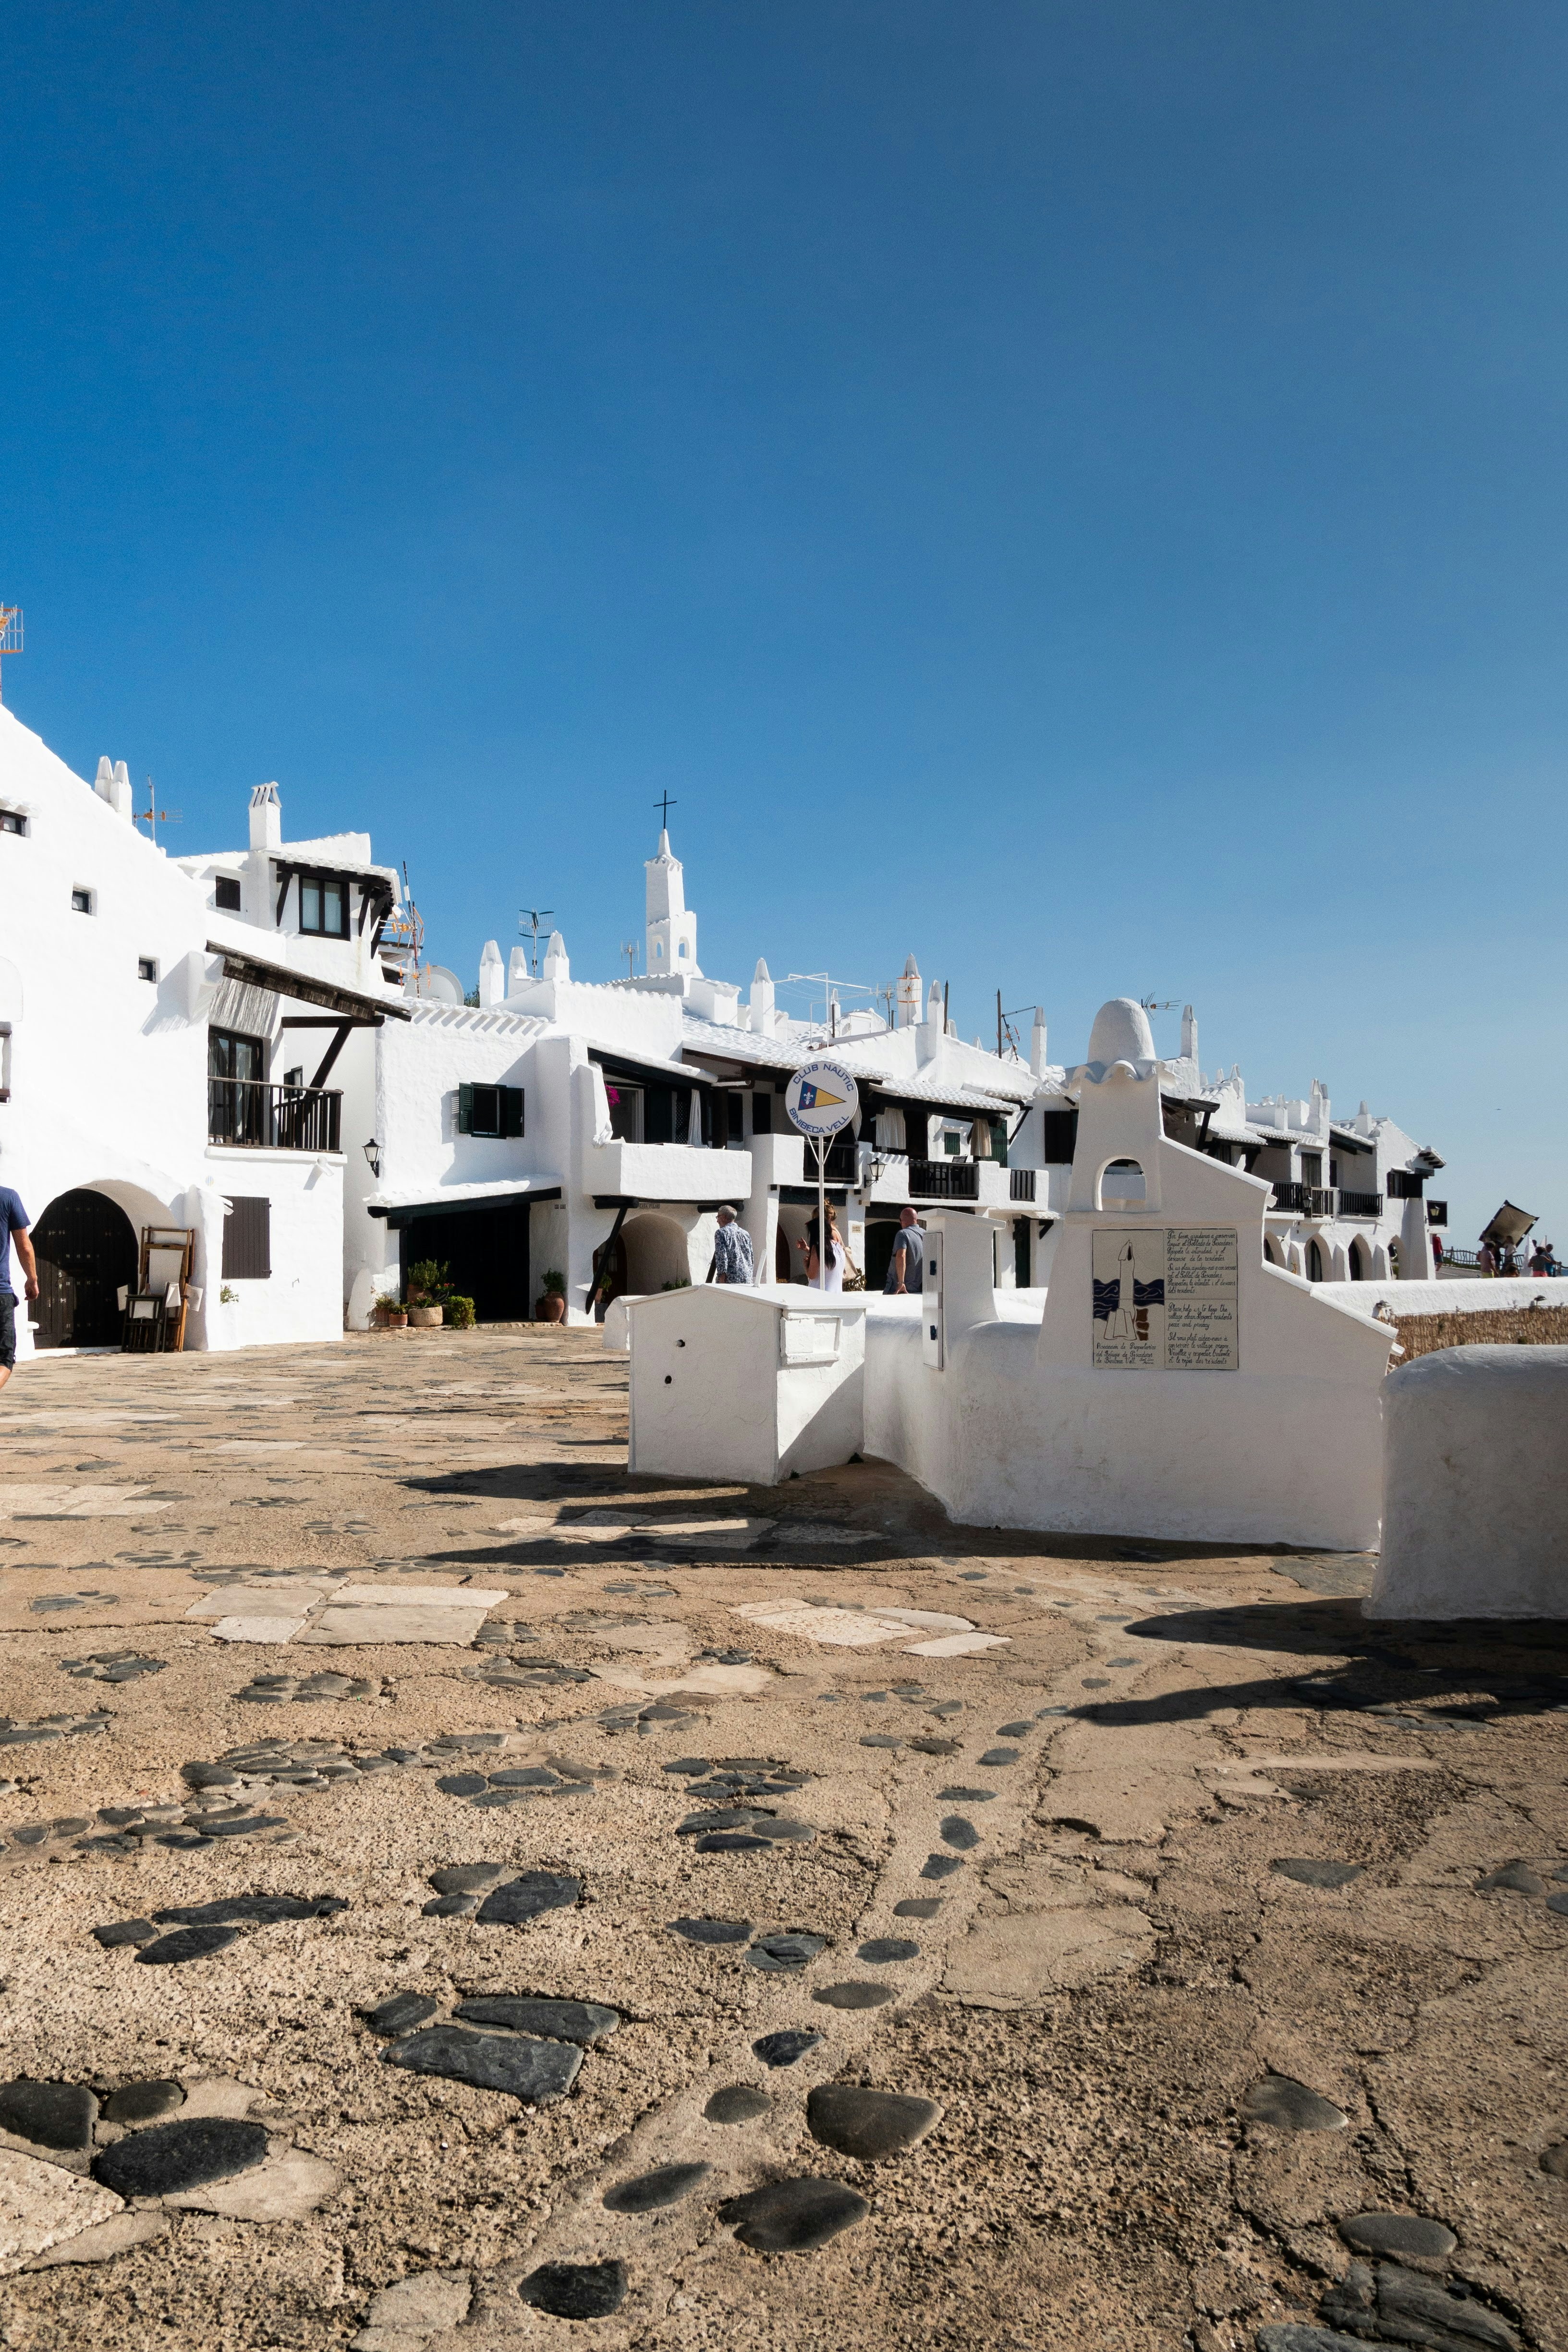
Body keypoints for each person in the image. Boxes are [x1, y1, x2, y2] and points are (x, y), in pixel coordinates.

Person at [0, 1185, 38, 1394]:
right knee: (4, 1359)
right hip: (0, 1293)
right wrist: (32, 1279)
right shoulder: (7, 1197)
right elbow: (24, 1246)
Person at [797, 1204, 844, 1293]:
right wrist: (807, 1249)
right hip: (836, 1294)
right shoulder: (837, 1244)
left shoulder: (823, 1242)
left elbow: (812, 1275)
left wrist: (806, 1266)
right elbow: (827, 1255)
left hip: (819, 1296)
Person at [705, 1207, 754, 1286]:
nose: (717, 1221)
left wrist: (722, 1278)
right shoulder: (746, 1234)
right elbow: (750, 1257)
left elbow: (722, 1256)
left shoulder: (721, 1233)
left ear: (724, 1217)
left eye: (718, 1217)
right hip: (747, 1277)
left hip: (731, 1279)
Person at [884, 1205, 924, 1297]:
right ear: (917, 1220)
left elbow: (901, 1255)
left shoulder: (903, 1234)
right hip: (917, 1287)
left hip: (898, 1287)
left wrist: (901, 1283)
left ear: (901, 1221)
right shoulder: (925, 1234)